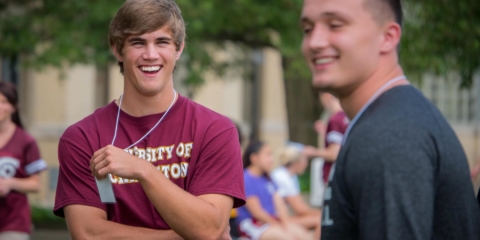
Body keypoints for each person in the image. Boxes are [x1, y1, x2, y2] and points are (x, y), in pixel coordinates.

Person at [53, 1, 245, 239]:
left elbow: (208, 228)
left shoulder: (215, 130)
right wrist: (180, 235)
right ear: (117, 49)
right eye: (137, 42)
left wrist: (144, 170)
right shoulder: (82, 138)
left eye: (162, 42)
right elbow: (89, 234)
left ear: (179, 48)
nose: (150, 54)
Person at [300, 0, 480, 239]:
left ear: (388, 37)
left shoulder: (390, 135)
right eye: (307, 29)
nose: (315, 42)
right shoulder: (387, 121)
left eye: (335, 25)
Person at [236, 141, 312, 240]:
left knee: (305, 236)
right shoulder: (246, 178)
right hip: (253, 224)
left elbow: (280, 205)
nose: (271, 159)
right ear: (254, 158)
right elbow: (257, 212)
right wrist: (278, 225)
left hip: (272, 221)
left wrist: (286, 225)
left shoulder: (268, 178)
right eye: (267, 155)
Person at [0, 82, 47, 240]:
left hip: (13, 223)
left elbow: (36, 184)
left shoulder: (25, 141)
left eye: (3, 102)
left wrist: (9, 183)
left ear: (13, 107)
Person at [270, 144, 321, 239]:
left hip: (281, 218)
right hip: (277, 220)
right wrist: (321, 212)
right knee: (321, 220)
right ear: (296, 163)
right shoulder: (283, 177)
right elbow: (300, 209)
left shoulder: (288, 175)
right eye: (305, 161)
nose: (306, 164)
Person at [312, 92, 348, 183]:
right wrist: (325, 131)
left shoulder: (335, 119)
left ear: (326, 96)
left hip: (334, 176)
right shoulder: (347, 116)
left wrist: (309, 151)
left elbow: (334, 154)